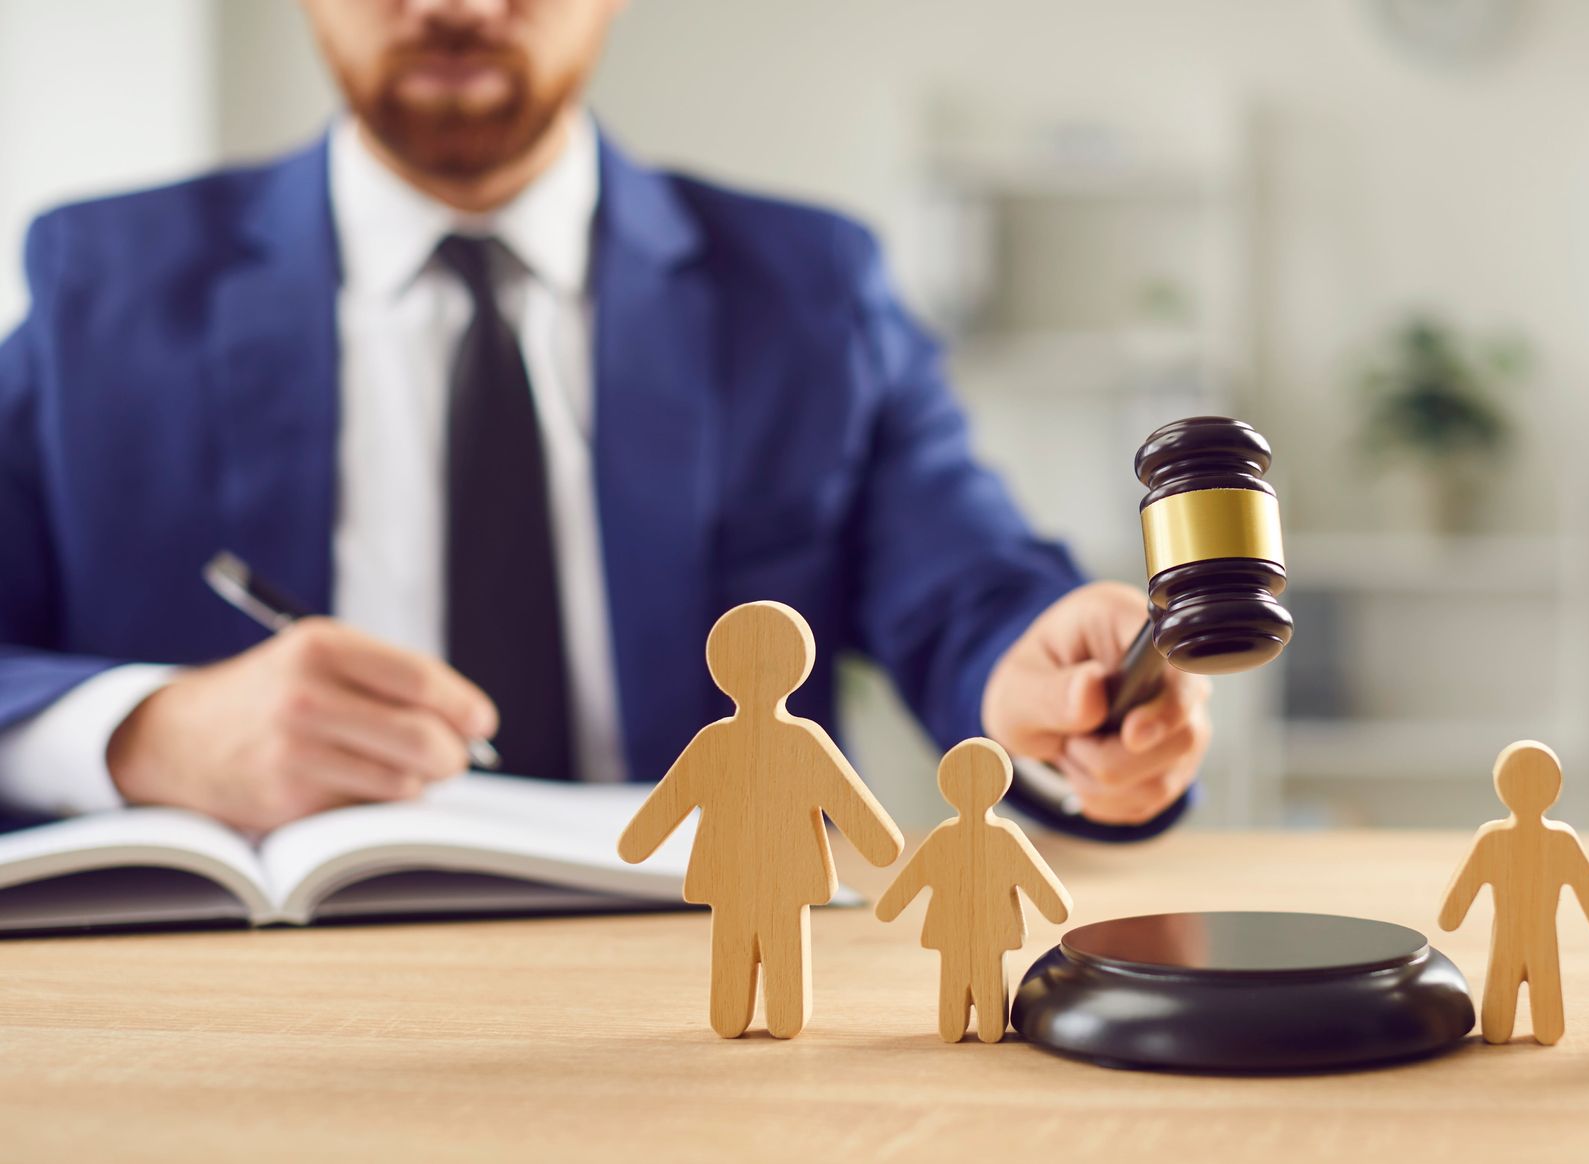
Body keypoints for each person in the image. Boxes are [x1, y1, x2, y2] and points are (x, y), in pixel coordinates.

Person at [0, 0, 1210, 839]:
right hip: (230, 1015)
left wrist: (1059, 700)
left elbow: (970, 598)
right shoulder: (103, 284)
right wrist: (146, 735)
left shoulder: (808, 291)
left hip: (698, 1007)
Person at [617, 601, 904, 1039]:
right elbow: (851, 807)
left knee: (751, 945)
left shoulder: (727, 740)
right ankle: (762, 1015)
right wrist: (879, 844)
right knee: (763, 943)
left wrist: (638, 842)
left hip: (745, 874)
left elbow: (665, 806)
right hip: (765, 874)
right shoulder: (789, 740)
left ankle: (752, 1014)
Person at [875, 736, 1070, 1043]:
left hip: (969, 928)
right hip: (971, 928)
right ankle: (976, 1025)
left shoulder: (974, 837)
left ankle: (976, 1025)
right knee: (969, 976)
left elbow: (911, 880)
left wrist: (889, 907)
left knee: (974, 976)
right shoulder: (987, 837)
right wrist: (1053, 906)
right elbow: (914, 877)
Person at [1438, 741, 1589, 1045]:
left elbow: (1456, 904)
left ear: (1501, 785)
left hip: (1512, 937)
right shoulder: (1557, 841)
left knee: (1503, 1016)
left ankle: (1517, 1029)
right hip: (1538, 937)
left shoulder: (1496, 840)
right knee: (1539, 1017)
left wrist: (1452, 916)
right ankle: (1538, 1030)